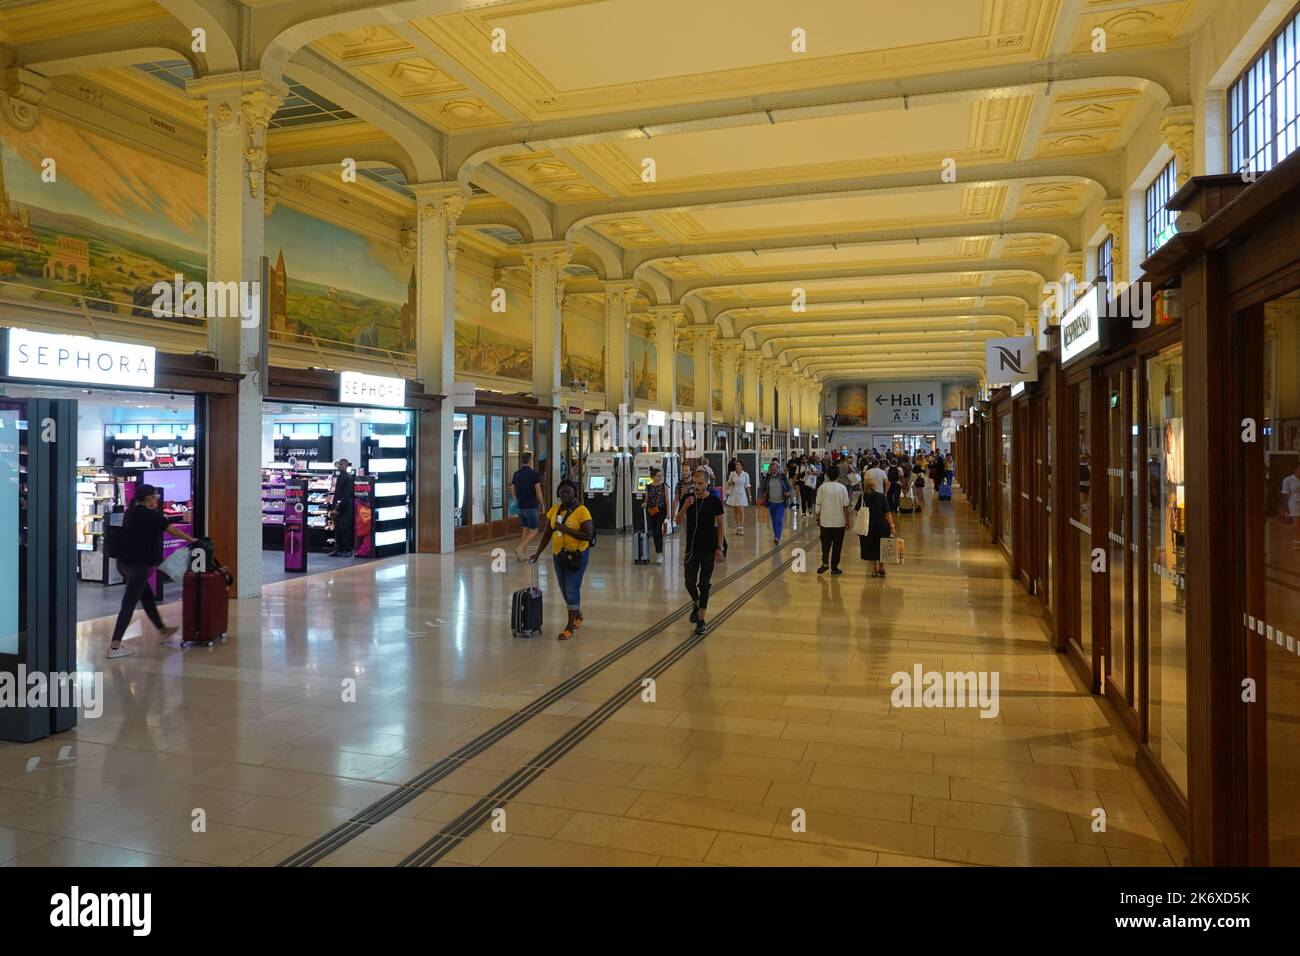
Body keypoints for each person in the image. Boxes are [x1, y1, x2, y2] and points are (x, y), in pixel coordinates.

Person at [107, 484, 200, 658]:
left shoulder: (131, 512)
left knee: (147, 597)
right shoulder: (151, 515)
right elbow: (172, 530)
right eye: (155, 496)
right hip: (140, 565)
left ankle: (163, 630)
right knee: (128, 604)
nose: (157, 498)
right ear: (149, 498)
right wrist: (191, 539)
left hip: (125, 564)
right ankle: (114, 646)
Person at [530, 480, 594, 641]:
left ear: (575, 493)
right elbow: (546, 534)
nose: (565, 495)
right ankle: (577, 614)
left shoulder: (582, 511)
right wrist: (537, 553)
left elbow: (588, 535)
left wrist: (565, 529)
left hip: (577, 555)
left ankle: (569, 626)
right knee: (564, 589)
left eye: (569, 492)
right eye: (563, 492)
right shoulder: (554, 510)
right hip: (559, 554)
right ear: (559, 493)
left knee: (572, 588)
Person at [675, 467, 726, 635]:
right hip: (691, 549)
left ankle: (702, 620)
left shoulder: (714, 501)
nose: (696, 486)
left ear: (707, 483)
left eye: (700, 483)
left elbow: (720, 525)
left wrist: (719, 547)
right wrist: (684, 506)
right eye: (695, 483)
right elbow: (678, 520)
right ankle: (695, 603)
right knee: (689, 582)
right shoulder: (689, 499)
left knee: (704, 584)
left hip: (709, 549)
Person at [857, 476, 898, 578]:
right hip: (881, 525)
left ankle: (874, 570)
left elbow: (858, 511)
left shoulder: (862, 497)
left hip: (867, 526)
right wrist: (892, 526)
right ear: (874, 485)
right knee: (883, 546)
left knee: (870, 546)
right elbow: (887, 513)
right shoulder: (880, 496)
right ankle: (881, 567)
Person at [815, 463, 852, 575]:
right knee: (837, 546)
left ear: (827, 475)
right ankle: (834, 568)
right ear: (838, 475)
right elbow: (846, 506)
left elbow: (818, 505)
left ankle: (825, 562)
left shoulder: (822, 487)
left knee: (825, 544)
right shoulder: (842, 488)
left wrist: (818, 518)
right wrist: (847, 521)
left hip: (825, 522)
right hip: (839, 523)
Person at [510, 451, 545, 561]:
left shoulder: (516, 474)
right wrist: (542, 503)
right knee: (534, 530)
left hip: (520, 506)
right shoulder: (534, 474)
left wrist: (516, 499)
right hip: (531, 506)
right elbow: (538, 490)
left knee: (525, 530)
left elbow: (513, 489)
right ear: (530, 461)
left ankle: (523, 554)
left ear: (521, 462)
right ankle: (520, 548)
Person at [757, 456, 793, 546]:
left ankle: (777, 537)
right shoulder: (768, 478)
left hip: (780, 503)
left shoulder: (783, 477)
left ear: (778, 469)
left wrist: (788, 493)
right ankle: (776, 535)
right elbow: (761, 489)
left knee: (779, 520)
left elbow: (790, 488)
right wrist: (759, 498)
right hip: (771, 502)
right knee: (773, 520)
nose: (773, 471)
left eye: (775, 469)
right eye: (772, 470)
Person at [328, 458, 355, 557]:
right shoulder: (340, 477)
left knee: (345, 528)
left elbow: (346, 495)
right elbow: (337, 494)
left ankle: (347, 549)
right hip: (338, 507)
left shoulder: (348, 478)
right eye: (339, 464)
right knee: (338, 528)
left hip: (346, 508)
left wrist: (338, 507)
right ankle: (338, 548)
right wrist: (334, 506)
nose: (340, 466)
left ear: (346, 466)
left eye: (342, 464)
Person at [644, 466, 669, 564]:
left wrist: (669, 512)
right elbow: (647, 499)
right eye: (658, 476)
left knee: (658, 530)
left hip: (661, 511)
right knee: (654, 532)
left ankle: (660, 553)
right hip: (652, 510)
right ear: (652, 477)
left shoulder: (664, 486)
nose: (660, 478)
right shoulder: (648, 487)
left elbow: (667, 499)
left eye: (661, 476)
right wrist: (645, 503)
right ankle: (658, 552)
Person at [723, 458, 750, 536]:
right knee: (735, 510)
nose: (737, 466)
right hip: (734, 493)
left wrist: (750, 495)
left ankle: (741, 527)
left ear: (742, 466)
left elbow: (747, 485)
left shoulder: (745, 474)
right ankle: (737, 526)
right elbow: (728, 483)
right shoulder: (732, 474)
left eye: (738, 465)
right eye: (736, 465)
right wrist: (731, 483)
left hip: (742, 493)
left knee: (741, 510)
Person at [1284, 462, 1300, 549]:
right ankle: (1296, 541)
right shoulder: (1288, 479)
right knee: (1297, 522)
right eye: (1298, 469)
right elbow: (1285, 494)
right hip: (1294, 502)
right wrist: (1286, 508)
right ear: (1294, 470)